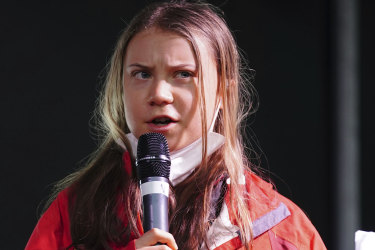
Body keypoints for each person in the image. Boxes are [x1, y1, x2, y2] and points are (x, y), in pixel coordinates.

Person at [26, 1, 326, 249]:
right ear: (120, 88)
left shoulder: (281, 231)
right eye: (141, 74)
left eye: (183, 74)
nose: (158, 94)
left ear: (224, 92)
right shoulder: (72, 219)